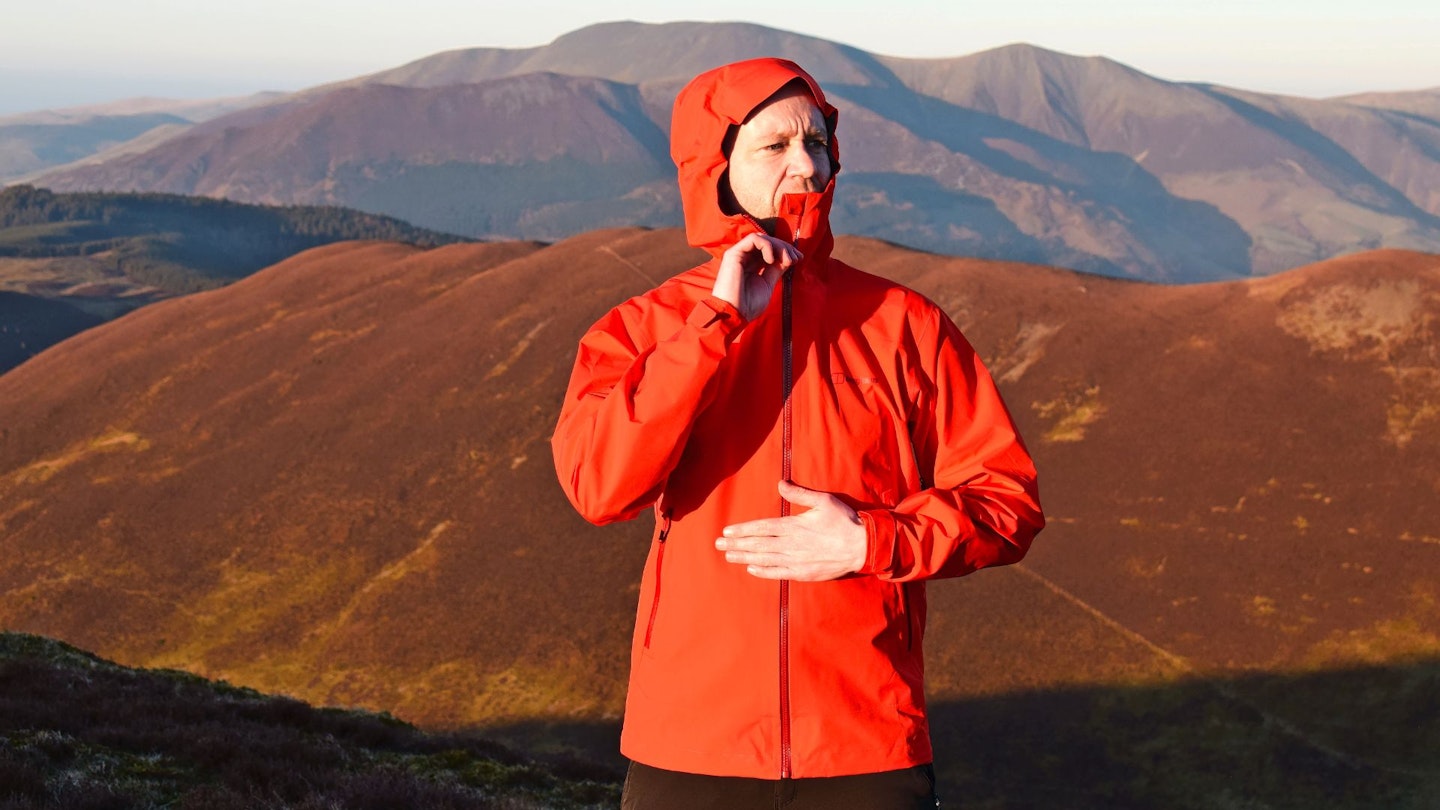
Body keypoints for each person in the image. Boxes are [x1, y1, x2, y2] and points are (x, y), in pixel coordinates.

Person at [551, 57, 1044, 809]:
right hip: (689, 747)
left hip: (864, 746)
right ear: (716, 168)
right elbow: (597, 486)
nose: (806, 166)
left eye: (816, 142)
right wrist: (714, 328)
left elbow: (1007, 502)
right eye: (774, 147)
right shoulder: (645, 329)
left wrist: (874, 542)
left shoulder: (905, 325)